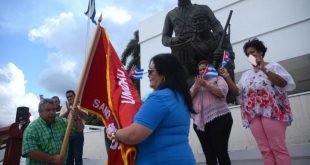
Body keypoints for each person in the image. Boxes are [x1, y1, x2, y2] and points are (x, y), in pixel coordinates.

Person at [107, 53, 196, 164]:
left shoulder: (159, 98)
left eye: (150, 71)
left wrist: (115, 133)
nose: (148, 75)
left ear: (163, 75)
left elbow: (134, 135)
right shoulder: (180, 97)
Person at [219, 38, 296, 165]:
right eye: (248, 54)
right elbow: (237, 91)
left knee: (278, 148)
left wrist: (264, 69)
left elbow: (284, 84)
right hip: (253, 115)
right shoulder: (246, 75)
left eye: (253, 52)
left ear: (260, 52)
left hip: (273, 112)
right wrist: (227, 77)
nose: (250, 55)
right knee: (265, 150)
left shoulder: (273, 66)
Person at [162, 0, 236, 103]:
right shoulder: (170, 15)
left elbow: (218, 29)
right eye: (196, 21)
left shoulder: (203, 9)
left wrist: (217, 43)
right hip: (187, 52)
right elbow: (164, 39)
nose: (197, 23)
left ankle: (229, 97)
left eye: (200, 21)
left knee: (225, 59)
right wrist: (175, 40)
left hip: (209, 46)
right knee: (180, 71)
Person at [191, 60, 233, 165]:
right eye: (200, 70)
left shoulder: (218, 79)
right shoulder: (196, 84)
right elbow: (187, 98)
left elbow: (222, 92)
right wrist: (196, 86)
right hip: (200, 124)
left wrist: (205, 84)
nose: (201, 72)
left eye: (204, 69)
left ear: (210, 69)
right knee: (209, 155)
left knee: (221, 152)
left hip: (220, 119)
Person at [22, 98, 76, 164]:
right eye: (48, 110)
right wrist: (53, 159)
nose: (52, 112)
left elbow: (79, 129)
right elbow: (30, 151)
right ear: (40, 112)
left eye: (54, 110)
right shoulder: (32, 129)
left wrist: (76, 118)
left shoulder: (61, 122)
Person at [60, 90, 88, 165]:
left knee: (78, 156)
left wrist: (78, 110)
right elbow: (59, 120)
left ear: (75, 96)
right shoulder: (64, 107)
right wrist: (68, 111)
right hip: (67, 134)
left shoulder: (82, 106)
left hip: (78, 133)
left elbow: (86, 117)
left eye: (71, 96)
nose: (69, 98)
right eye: (67, 97)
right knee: (68, 158)